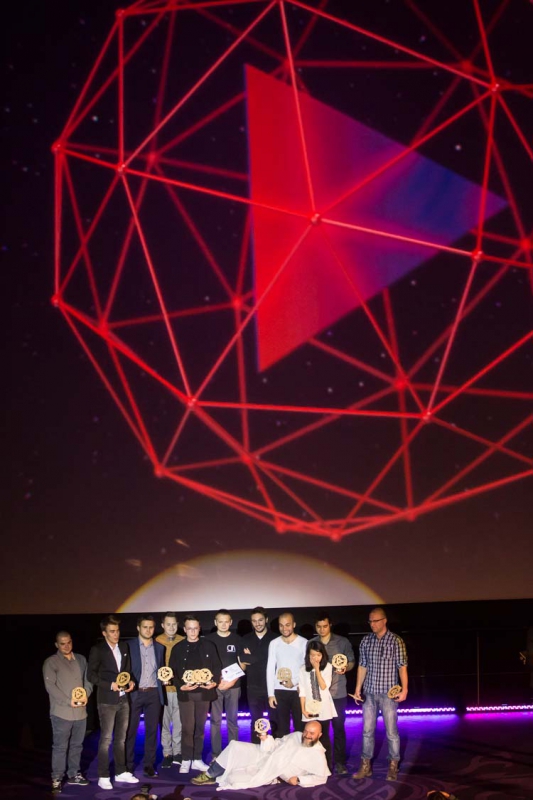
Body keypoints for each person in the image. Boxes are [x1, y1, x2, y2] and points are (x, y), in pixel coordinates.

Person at [353, 607, 408, 782]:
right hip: (369, 692)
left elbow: (402, 667)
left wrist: (405, 689)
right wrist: (358, 688)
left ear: (384, 621)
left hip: (388, 694)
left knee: (391, 732)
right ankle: (365, 765)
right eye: (370, 621)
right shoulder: (366, 641)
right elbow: (362, 665)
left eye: (375, 621)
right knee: (367, 731)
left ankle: (393, 765)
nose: (372, 624)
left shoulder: (396, 641)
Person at [191, 719, 329, 789]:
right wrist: (266, 739)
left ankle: (219, 774)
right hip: (266, 754)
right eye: (306, 731)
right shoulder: (297, 735)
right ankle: (209, 774)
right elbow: (276, 744)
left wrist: (300, 780)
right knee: (235, 746)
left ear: (320, 735)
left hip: (272, 771)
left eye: (312, 733)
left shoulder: (318, 754)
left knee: (234, 779)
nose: (307, 735)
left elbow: (321, 778)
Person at [87, 615, 139, 791]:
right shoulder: (98, 650)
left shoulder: (123, 647)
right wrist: (110, 685)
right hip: (107, 700)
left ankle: (120, 771)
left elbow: (127, 671)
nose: (116, 634)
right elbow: (91, 675)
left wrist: (131, 681)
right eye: (112, 631)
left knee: (121, 739)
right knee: (106, 739)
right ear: (104, 633)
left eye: (117, 631)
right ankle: (103, 775)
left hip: (124, 698)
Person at [168, 614, 221, 774]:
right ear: (184, 629)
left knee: (199, 727)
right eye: (189, 628)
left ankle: (197, 759)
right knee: (187, 728)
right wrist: (180, 686)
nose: (192, 631)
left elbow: (217, 666)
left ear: (199, 629)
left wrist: (214, 682)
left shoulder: (209, 645)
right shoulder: (178, 648)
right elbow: (172, 672)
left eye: (195, 628)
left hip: (204, 693)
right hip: (186, 694)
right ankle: (186, 759)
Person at [43, 631, 92, 794]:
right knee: (60, 747)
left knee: (77, 745)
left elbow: (88, 679)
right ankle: (57, 778)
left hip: (80, 712)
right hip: (62, 713)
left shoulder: (81, 659)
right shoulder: (51, 662)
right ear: (56, 645)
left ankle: (74, 774)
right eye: (62, 643)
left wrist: (86, 694)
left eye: (69, 642)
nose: (66, 646)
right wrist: (67, 701)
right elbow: (50, 687)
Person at [313, 612, 355, 773]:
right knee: (321, 731)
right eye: (318, 626)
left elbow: (351, 661)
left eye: (325, 626)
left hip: (338, 692)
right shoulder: (311, 643)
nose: (322, 629)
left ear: (330, 625)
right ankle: (323, 763)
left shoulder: (342, 642)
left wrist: (346, 667)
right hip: (319, 694)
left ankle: (340, 763)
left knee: (338, 729)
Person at [126, 614, 166, 778]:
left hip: (153, 693)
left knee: (152, 731)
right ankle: (128, 766)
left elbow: (162, 670)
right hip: (134, 693)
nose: (148, 630)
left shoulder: (160, 647)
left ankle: (149, 765)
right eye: (145, 627)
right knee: (130, 731)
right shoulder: (128, 646)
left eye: (151, 627)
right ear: (138, 628)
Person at [206, 609, 242, 760]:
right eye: (220, 622)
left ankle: (233, 754)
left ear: (231, 622)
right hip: (216, 686)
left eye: (226, 622)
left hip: (233, 686)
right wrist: (216, 681)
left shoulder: (237, 639)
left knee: (232, 721)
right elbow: (205, 664)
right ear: (215, 622)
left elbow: (242, 663)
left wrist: (232, 681)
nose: (223, 624)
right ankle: (216, 754)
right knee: (215, 721)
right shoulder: (208, 640)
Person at [238, 606, 277, 742]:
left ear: (266, 620)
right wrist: (260, 658)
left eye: (260, 620)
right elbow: (243, 664)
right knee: (256, 722)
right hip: (253, 687)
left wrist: (251, 658)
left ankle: (276, 750)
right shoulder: (245, 639)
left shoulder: (275, 639)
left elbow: (277, 663)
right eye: (254, 621)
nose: (257, 623)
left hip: (273, 686)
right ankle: (256, 749)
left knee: (275, 720)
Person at [266, 612, 307, 737]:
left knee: (300, 727)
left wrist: (294, 681)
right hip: (279, 691)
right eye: (281, 625)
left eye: (287, 625)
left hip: (299, 691)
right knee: (281, 729)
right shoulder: (274, 643)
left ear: (294, 625)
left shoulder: (304, 643)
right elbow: (270, 668)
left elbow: (307, 668)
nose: (284, 628)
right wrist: (271, 694)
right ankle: (282, 750)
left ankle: (299, 750)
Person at [299, 640, 336, 770]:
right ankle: (308, 767)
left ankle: (327, 767)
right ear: (308, 655)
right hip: (309, 708)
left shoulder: (328, 667)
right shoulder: (303, 669)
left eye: (318, 655)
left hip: (324, 707)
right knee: (308, 737)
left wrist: (317, 669)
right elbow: (302, 691)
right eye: (312, 655)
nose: (315, 658)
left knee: (323, 737)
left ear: (323, 655)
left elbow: (324, 686)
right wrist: (303, 709)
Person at [155, 611, 184, 767]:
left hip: (179, 688)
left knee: (179, 722)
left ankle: (178, 752)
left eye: (174, 624)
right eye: (168, 624)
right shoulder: (156, 641)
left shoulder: (183, 640)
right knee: (165, 722)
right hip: (163, 690)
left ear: (177, 625)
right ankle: (167, 752)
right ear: (162, 625)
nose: (171, 627)